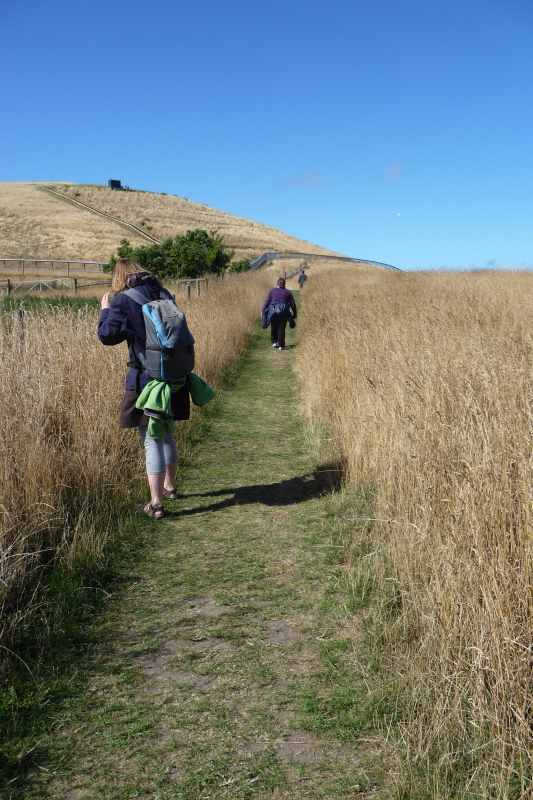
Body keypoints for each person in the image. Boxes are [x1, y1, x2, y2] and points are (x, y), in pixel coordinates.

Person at [98, 259, 191, 519]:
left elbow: (107, 336)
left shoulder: (123, 300)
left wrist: (105, 310)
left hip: (146, 380)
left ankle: (156, 503)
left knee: (150, 439)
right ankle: (170, 487)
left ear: (120, 276)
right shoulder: (163, 293)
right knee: (167, 432)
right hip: (173, 377)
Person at [261, 277, 297, 350]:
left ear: (277, 284)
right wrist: (294, 314)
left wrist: (263, 310)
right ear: (284, 284)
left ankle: (274, 342)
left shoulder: (272, 291)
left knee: (274, 326)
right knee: (282, 328)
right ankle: (281, 345)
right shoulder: (288, 292)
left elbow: (267, 302)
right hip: (284, 312)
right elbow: (293, 305)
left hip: (273, 311)